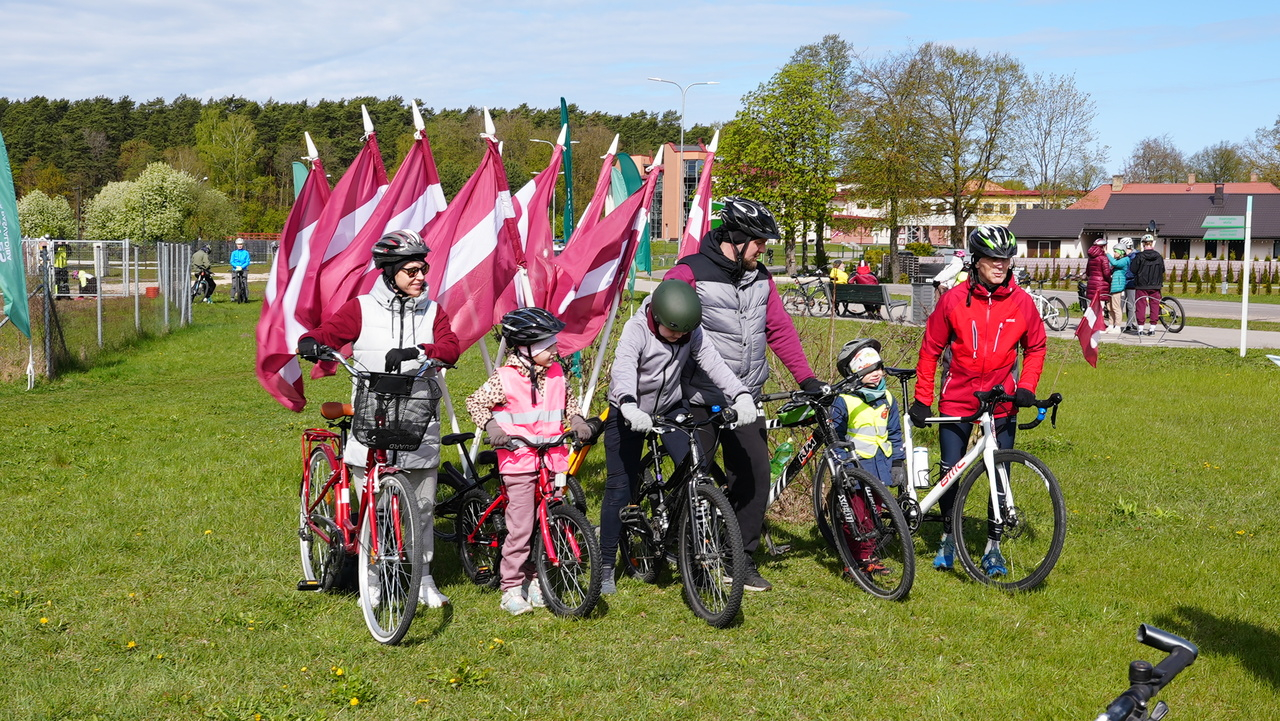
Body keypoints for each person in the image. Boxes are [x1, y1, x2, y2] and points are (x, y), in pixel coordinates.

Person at [664, 196, 827, 591]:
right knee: (691, 475)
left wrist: (806, 378)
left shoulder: (760, 278)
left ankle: (740, 557)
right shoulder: (689, 273)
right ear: (735, 239)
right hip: (697, 397)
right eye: (759, 243)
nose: (763, 250)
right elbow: (662, 326)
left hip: (745, 397)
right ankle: (678, 543)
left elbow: (780, 330)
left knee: (754, 475)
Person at [297, 230, 460, 608]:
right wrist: (311, 341)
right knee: (376, 507)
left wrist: (427, 351)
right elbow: (328, 333)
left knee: (421, 507)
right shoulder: (360, 308)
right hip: (373, 418)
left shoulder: (433, 310)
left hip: (419, 420)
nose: (421, 276)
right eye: (412, 270)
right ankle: (372, 577)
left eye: (423, 269)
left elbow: (451, 346)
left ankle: (423, 580)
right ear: (389, 273)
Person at [599, 280, 755, 595]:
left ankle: (686, 541)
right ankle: (604, 568)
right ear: (656, 317)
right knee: (619, 489)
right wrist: (628, 404)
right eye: (674, 332)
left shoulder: (690, 331)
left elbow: (714, 363)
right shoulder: (636, 330)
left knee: (694, 464)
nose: (680, 337)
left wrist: (741, 395)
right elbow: (624, 368)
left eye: (684, 332)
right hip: (627, 411)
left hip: (670, 407)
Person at [909, 225, 1046, 578]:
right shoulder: (953, 300)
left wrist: (1026, 385)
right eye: (992, 259)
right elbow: (930, 351)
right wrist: (923, 399)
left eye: (1006, 259)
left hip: (1002, 399)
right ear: (976, 261)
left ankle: (993, 547)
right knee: (950, 470)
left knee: (1000, 474)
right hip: (958, 397)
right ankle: (948, 537)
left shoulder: (1022, 302)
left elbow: (1036, 347)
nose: (1001, 265)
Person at [466, 307, 597, 615]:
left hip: (552, 458)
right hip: (519, 460)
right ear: (526, 349)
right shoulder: (505, 378)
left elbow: (568, 403)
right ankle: (511, 587)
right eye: (548, 346)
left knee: (547, 524)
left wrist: (577, 420)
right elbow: (475, 402)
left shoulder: (556, 373)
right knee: (522, 527)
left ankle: (538, 581)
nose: (555, 350)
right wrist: (493, 427)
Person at [830, 338, 905, 575]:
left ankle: (868, 556)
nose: (876, 374)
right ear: (854, 374)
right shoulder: (845, 401)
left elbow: (894, 433)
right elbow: (834, 436)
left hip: (880, 466)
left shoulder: (889, 399)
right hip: (855, 466)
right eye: (868, 370)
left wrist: (898, 462)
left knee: (875, 513)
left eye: (879, 368)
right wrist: (840, 465)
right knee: (855, 513)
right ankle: (854, 559)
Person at [1130, 234, 1166, 336]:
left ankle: (1140, 328)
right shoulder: (1159, 256)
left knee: (1140, 306)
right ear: (1152, 243)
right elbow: (1162, 270)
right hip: (1155, 285)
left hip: (1142, 285)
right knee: (1154, 305)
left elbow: (1133, 269)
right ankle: (1152, 328)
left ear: (1143, 244)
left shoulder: (1139, 256)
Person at [1105, 241, 1131, 333]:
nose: (1114, 253)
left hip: (1118, 287)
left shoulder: (1124, 260)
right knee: (1110, 307)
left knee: (1116, 307)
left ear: (1121, 252)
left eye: (1115, 252)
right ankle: (1111, 325)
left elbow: (1114, 263)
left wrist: (1107, 253)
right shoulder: (1118, 260)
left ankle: (1118, 326)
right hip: (1113, 287)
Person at [1085, 237, 1112, 309]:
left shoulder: (1090, 258)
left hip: (1091, 283)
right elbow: (1106, 273)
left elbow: (1087, 272)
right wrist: (1110, 279)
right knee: (1100, 308)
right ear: (1103, 247)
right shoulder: (1103, 258)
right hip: (1101, 285)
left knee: (1092, 308)